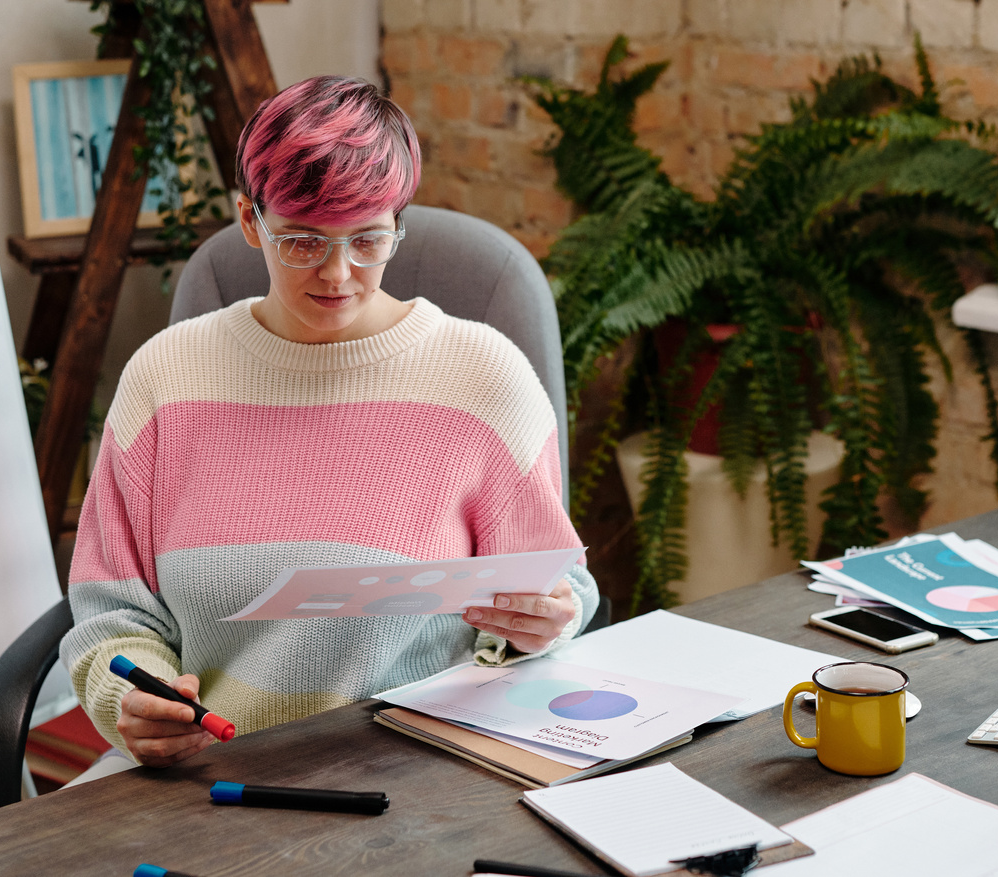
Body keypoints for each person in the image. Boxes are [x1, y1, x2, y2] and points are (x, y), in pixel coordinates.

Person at [61, 76, 597, 773]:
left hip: (419, 775)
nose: (339, 273)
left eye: (369, 240)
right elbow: (112, 611)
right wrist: (129, 698)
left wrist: (545, 622)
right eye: (303, 242)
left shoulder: (483, 378)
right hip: (210, 774)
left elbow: (562, 586)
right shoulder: (165, 379)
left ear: (398, 225)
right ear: (251, 222)